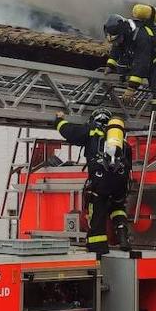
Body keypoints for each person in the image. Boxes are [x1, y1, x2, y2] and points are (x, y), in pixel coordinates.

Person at [55, 108, 133, 254]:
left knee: (97, 211)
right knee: (118, 208)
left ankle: (98, 246)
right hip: (120, 180)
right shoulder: (121, 140)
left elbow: (69, 132)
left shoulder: (91, 130)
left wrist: (59, 120)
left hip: (100, 179)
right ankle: (123, 237)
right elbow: (129, 164)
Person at [102, 13, 156, 127]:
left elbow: (141, 64)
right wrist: (110, 65)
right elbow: (117, 48)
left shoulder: (141, 37)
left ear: (124, 33)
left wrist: (131, 88)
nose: (116, 42)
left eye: (117, 39)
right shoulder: (123, 34)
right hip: (154, 54)